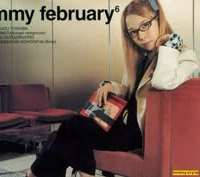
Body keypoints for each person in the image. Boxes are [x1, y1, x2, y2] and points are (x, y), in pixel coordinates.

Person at [27, 0, 199, 176]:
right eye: (133, 32)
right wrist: (111, 86)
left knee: (70, 129)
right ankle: (77, 172)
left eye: (145, 25)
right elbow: (130, 91)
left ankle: (49, 173)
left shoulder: (184, 56)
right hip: (120, 124)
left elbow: (162, 82)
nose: (141, 36)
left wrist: (170, 45)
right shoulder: (140, 58)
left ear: (159, 18)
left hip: (140, 135)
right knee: (68, 128)